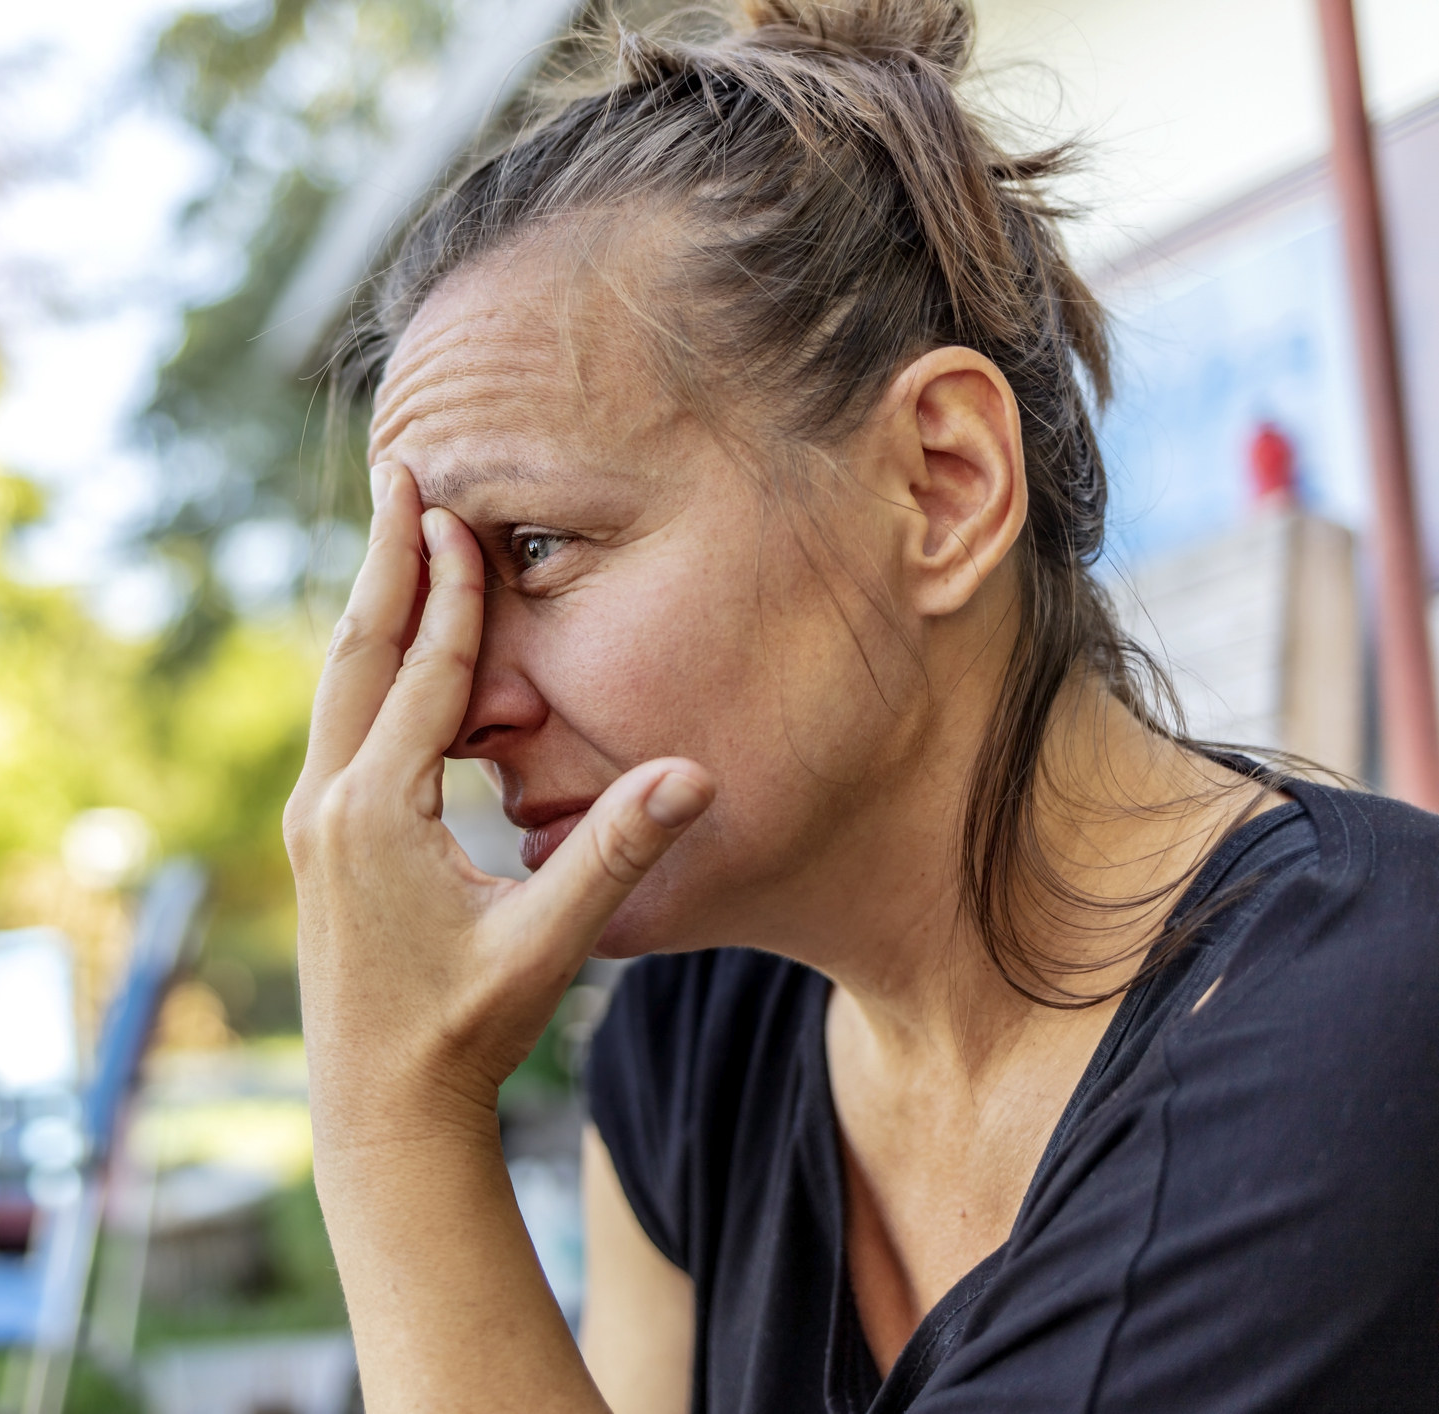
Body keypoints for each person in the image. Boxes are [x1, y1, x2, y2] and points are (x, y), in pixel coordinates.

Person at [283, 2, 1439, 1411]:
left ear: (938, 487)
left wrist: (391, 1114)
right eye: (432, 600)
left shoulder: (1366, 1035)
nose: (456, 709)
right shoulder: (693, 1038)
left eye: (534, 551)